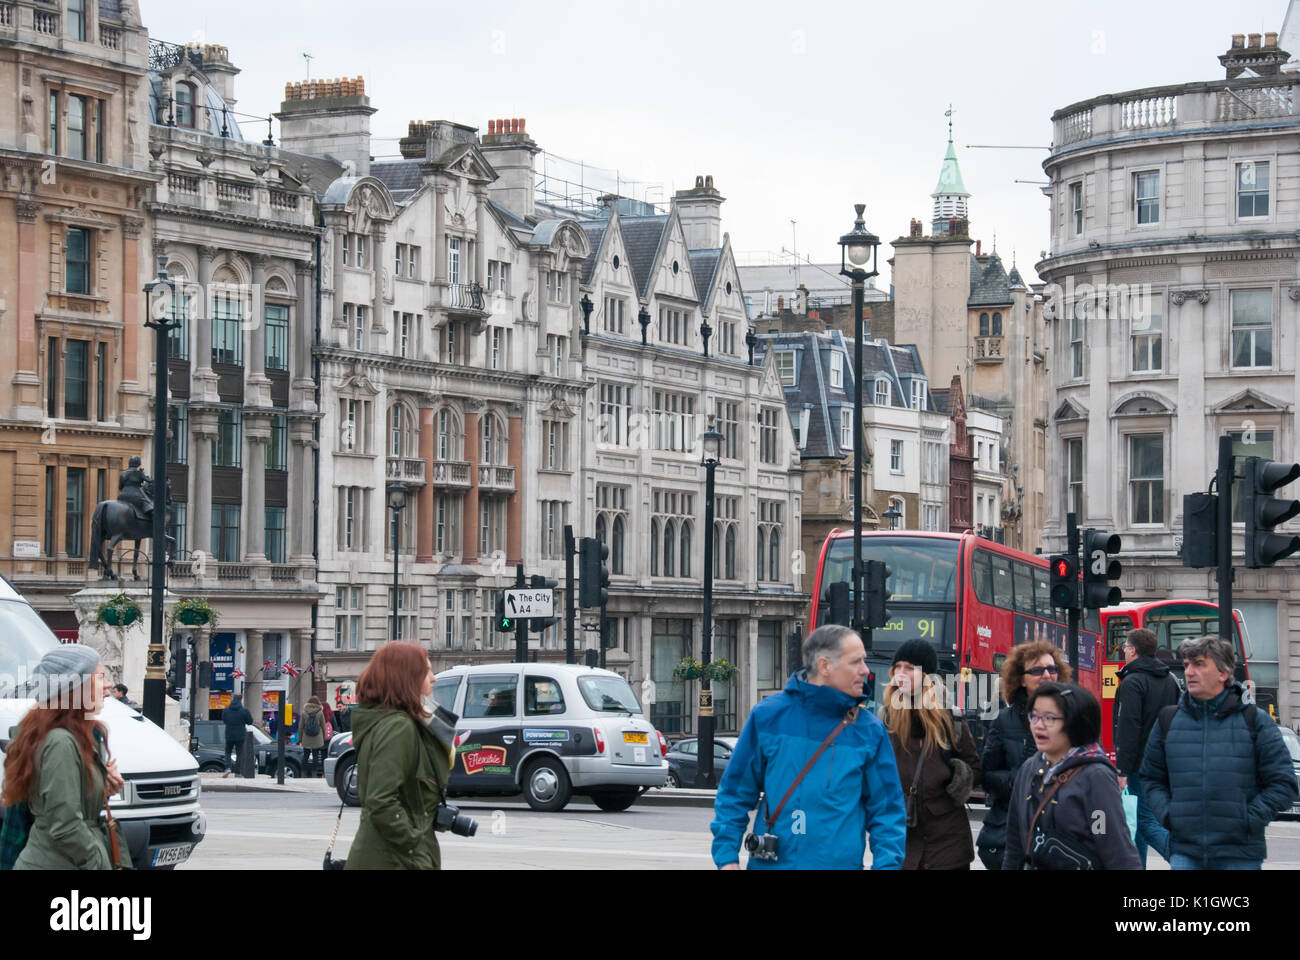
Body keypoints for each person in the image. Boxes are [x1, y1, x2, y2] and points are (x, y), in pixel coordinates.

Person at [711, 624, 907, 870]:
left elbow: (887, 812)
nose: (866, 671)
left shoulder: (869, 731)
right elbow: (734, 793)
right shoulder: (768, 717)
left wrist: (887, 866)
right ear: (825, 666)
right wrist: (727, 859)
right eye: (856, 662)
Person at [1140, 636, 1298, 870]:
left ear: (1224, 673)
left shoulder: (1255, 721)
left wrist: (1248, 819)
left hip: (1239, 854)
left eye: (1199, 664)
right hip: (1185, 852)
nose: (1190, 672)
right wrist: (1169, 815)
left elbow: (1284, 783)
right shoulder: (1168, 720)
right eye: (1186, 665)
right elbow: (1151, 778)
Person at [0, 645, 127, 869]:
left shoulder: (74, 737)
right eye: (100, 678)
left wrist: (102, 787)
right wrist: (98, 861)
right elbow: (65, 824)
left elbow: (59, 800)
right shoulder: (60, 742)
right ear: (75, 688)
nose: (108, 686)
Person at [1003, 682, 1140, 870]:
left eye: (1049, 718)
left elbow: (1116, 850)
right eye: (1034, 716)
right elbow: (1014, 844)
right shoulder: (1029, 768)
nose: (1038, 725)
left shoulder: (1095, 776)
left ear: (1074, 722)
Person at [345, 641, 453, 870]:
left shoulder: (392, 721)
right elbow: (380, 800)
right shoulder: (398, 727)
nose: (433, 678)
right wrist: (414, 846)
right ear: (406, 678)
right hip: (394, 860)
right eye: (426, 672)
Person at [879, 640, 982, 870]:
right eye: (898, 667)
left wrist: (961, 778)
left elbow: (974, 767)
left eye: (909, 668)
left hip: (947, 844)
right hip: (901, 840)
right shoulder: (885, 718)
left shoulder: (949, 717)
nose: (901, 674)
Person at [977, 640, 1073, 869]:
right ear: (1021, 679)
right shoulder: (1004, 720)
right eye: (1037, 670)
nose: (1047, 675)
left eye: (1052, 669)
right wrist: (1016, 781)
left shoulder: (1073, 717)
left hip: (1060, 829)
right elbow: (986, 774)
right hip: (1014, 826)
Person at [1112, 627, 1179, 865]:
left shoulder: (1132, 682)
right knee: (1136, 822)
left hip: (1139, 763)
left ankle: (1184, 859)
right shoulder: (1170, 680)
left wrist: (1122, 770)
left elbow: (1129, 729)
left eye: (1126, 647)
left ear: (1134, 651)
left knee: (1142, 820)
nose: (1124, 651)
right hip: (1165, 761)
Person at [222, 693, 254, 773]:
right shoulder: (244, 711)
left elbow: (224, 720)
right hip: (240, 735)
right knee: (239, 753)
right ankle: (238, 770)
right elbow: (250, 722)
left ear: (233, 698)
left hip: (229, 734)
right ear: (241, 699)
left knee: (228, 752)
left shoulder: (226, 710)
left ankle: (228, 767)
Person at [298, 696, 326, 777]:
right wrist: (323, 738)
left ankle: (303, 774)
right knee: (316, 756)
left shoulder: (304, 712)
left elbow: (301, 727)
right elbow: (323, 726)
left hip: (306, 738)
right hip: (317, 738)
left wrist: (300, 739)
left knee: (305, 756)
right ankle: (314, 774)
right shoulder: (320, 712)